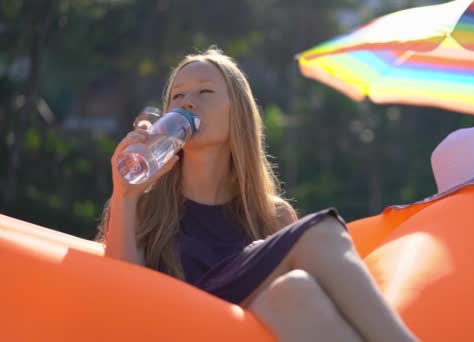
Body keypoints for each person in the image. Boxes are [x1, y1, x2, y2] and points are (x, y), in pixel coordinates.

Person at [98, 47, 417, 342]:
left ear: (238, 113)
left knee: (295, 290)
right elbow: (121, 299)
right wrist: (125, 195)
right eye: (177, 96)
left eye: (205, 91)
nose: (187, 102)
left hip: (237, 329)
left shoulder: (271, 215)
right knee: (321, 230)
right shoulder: (140, 203)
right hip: (183, 326)